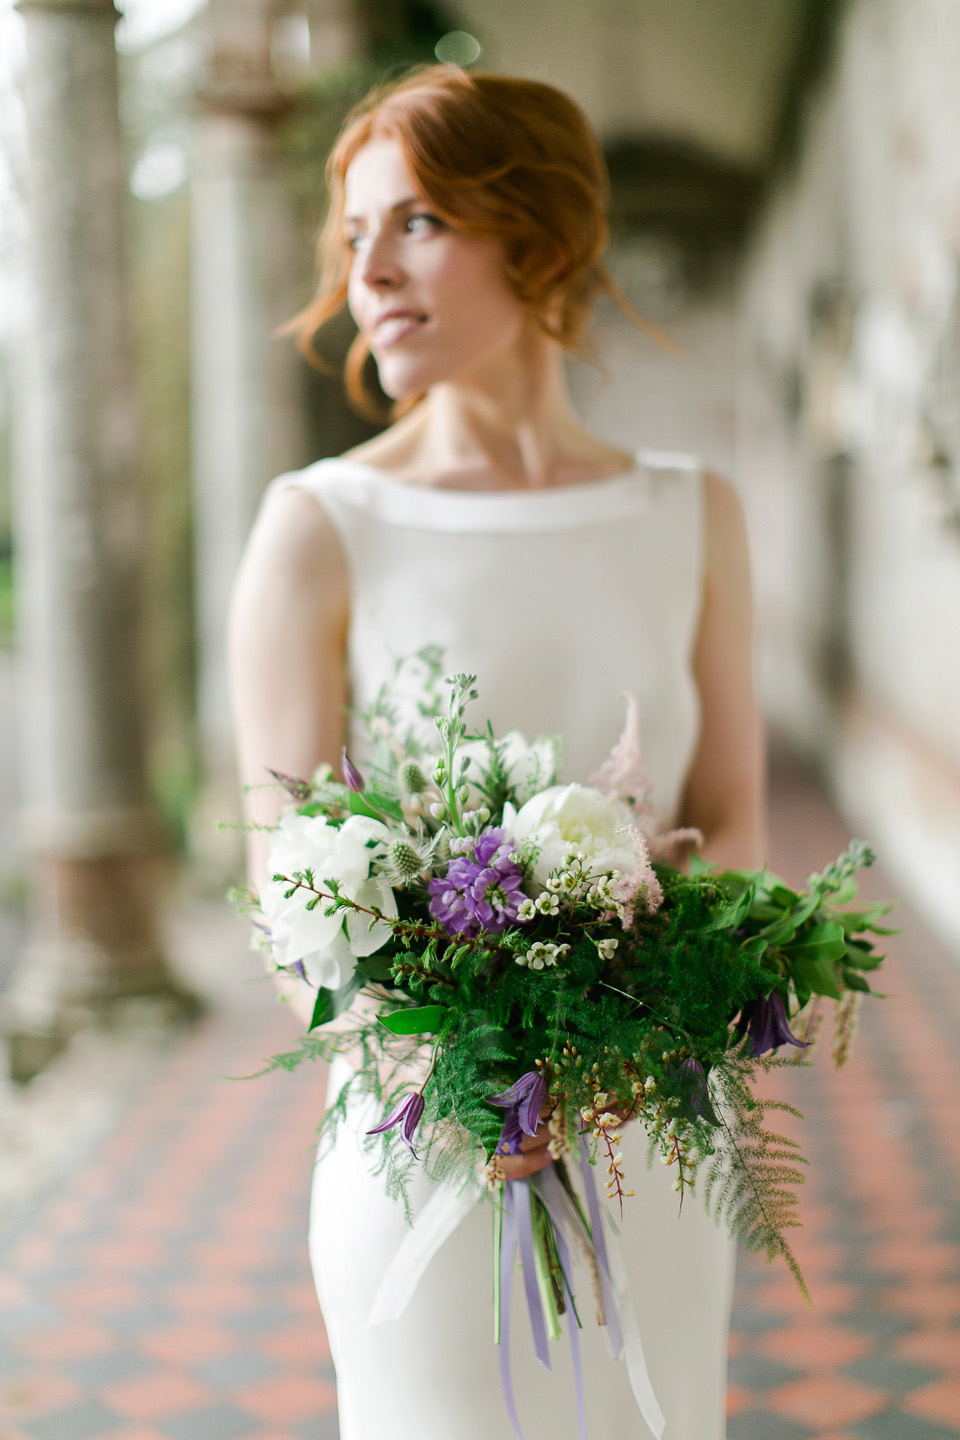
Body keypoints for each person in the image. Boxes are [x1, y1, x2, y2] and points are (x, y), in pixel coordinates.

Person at [229, 65, 765, 1440]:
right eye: (353, 238)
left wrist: (651, 1026)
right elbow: (284, 893)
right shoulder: (317, 525)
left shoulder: (694, 514)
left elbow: (731, 819)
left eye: (415, 224)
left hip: (653, 1147)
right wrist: (455, 1065)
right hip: (432, 1155)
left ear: (535, 233)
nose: (370, 274)